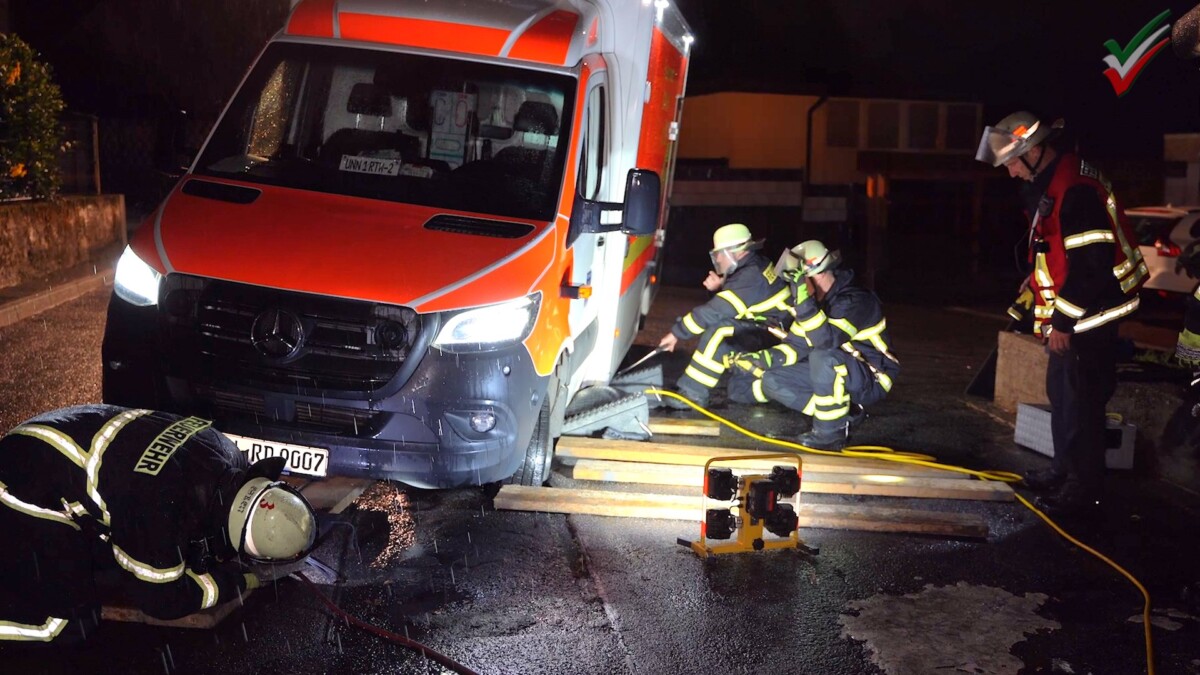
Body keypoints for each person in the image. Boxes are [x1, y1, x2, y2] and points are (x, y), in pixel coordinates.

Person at [0, 404, 318, 645]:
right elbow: (164, 601)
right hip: (19, 480)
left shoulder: (226, 453)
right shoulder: (159, 507)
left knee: (111, 566)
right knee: (67, 623)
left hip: (50, 440)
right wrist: (244, 579)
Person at [976, 111, 1147, 509]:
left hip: (1092, 314)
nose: (1012, 172)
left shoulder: (1074, 188)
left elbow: (1091, 266)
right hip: (1079, 312)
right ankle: (1062, 469)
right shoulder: (1056, 179)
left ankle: (1084, 488)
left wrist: (1064, 322)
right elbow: (1058, 251)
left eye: (1014, 162)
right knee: (1062, 394)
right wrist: (1034, 281)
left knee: (1083, 403)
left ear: (1035, 151)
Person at [725, 240, 898, 450]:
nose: (793, 290)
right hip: (845, 371)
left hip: (873, 378)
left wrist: (803, 300)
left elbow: (825, 341)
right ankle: (847, 414)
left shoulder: (856, 301)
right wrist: (758, 359)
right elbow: (794, 346)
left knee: (822, 357)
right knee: (772, 379)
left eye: (796, 282)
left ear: (812, 275)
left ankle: (830, 434)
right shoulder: (817, 306)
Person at [656, 223, 790, 409]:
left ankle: (693, 394)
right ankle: (763, 383)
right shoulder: (754, 264)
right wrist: (720, 288)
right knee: (737, 392)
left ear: (735, 252)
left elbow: (715, 311)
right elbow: (737, 304)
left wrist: (676, 333)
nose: (717, 258)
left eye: (720, 253)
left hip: (774, 335)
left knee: (720, 332)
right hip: (768, 328)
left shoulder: (750, 277)